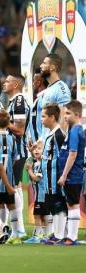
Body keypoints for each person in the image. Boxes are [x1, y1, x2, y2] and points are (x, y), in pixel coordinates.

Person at [3, 74, 30, 238]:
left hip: (17, 151)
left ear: (16, 84)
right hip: (13, 151)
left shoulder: (19, 102)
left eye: (7, 81)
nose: (4, 83)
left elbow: (20, 130)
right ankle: (17, 228)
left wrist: (2, 122)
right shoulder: (14, 102)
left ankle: (19, 229)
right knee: (15, 187)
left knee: (14, 187)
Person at [57, 100, 85, 245]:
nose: (65, 116)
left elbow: (72, 153)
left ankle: (72, 237)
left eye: (68, 113)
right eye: (64, 113)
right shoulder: (73, 129)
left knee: (73, 204)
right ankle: (69, 235)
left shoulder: (75, 131)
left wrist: (64, 175)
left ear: (77, 114)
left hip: (73, 175)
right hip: (73, 174)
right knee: (70, 203)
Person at [40, 104, 66, 244]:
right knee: (53, 204)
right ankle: (57, 233)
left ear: (52, 117)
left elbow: (63, 156)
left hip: (55, 176)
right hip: (48, 177)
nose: (41, 119)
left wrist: (63, 175)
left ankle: (60, 234)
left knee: (58, 204)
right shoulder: (50, 134)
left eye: (44, 116)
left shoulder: (58, 135)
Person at [0, 110, 19, 244]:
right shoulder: (12, 139)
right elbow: (14, 158)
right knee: (11, 205)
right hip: (9, 178)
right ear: (8, 123)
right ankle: (15, 234)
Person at [39, 54, 71, 138]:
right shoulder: (49, 88)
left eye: (44, 63)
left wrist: (61, 146)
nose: (40, 66)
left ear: (52, 67)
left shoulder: (61, 88)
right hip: (46, 142)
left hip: (55, 145)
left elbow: (64, 119)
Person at [24, 140, 47, 244]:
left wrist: (29, 170)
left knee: (38, 215)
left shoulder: (41, 163)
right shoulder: (36, 162)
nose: (36, 151)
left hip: (42, 195)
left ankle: (38, 236)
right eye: (34, 149)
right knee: (41, 215)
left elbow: (37, 179)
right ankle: (44, 235)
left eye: (39, 149)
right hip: (39, 194)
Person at [28, 69, 48, 144]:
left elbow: (47, 121)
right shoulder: (39, 98)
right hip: (36, 144)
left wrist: (41, 141)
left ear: (39, 83)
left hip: (41, 145)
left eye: (34, 81)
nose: (33, 84)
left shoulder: (44, 98)